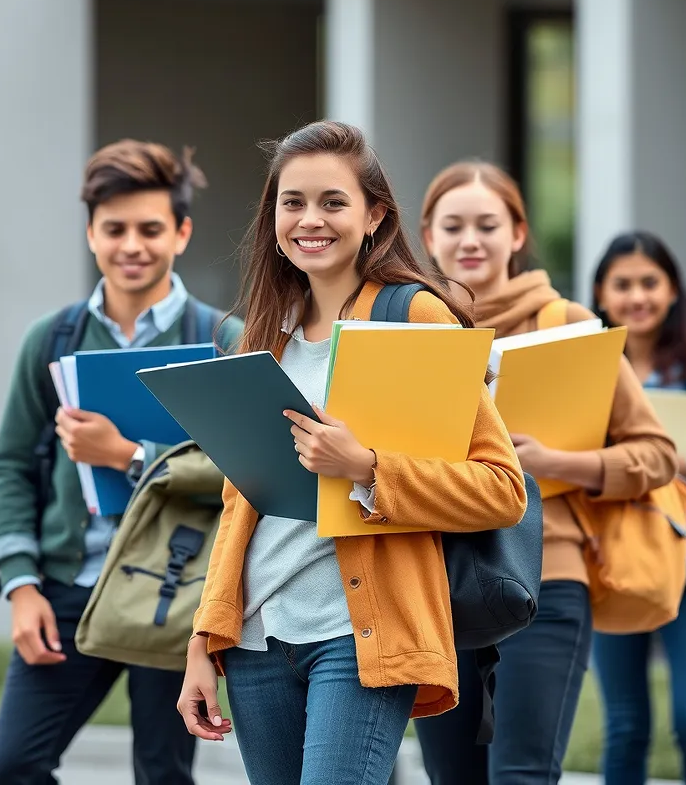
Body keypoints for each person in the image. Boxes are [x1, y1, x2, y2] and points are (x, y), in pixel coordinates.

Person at [176, 122, 529, 785]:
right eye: (292, 202)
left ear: (374, 216)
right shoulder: (261, 333)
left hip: (359, 633)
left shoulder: (414, 316)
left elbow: (500, 489)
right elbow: (238, 506)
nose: (310, 220)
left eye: (332, 203)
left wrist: (367, 469)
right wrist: (204, 641)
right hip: (256, 639)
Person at [0, 139, 243, 785]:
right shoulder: (51, 338)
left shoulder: (220, 341)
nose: (133, 245)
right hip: (68, 590)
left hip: (175, 591)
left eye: (151, 229)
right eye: (115, 229)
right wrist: (21, 585)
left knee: (163, 774)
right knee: (14, 765)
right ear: (91, 234)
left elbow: (248, 474)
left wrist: (128, 455)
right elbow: (11, 467)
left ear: (181, 233)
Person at [415, 162, 678, 785]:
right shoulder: (410, 329)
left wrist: (551, 463)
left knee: (523, 774)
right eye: (453, 226)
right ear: (428, 234)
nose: (470, 240)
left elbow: (657, 454)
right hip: (436, 582)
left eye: (487, 224)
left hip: (548, 578)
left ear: (518, 233)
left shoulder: (569, 324)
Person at [590, 231, 686, 785]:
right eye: (622, 284)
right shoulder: (591, 364)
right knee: (625, 726)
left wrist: (664, 462)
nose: (637, 296)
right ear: (601, 294)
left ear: (672, 289)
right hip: (611, 559)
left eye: (649, 282)